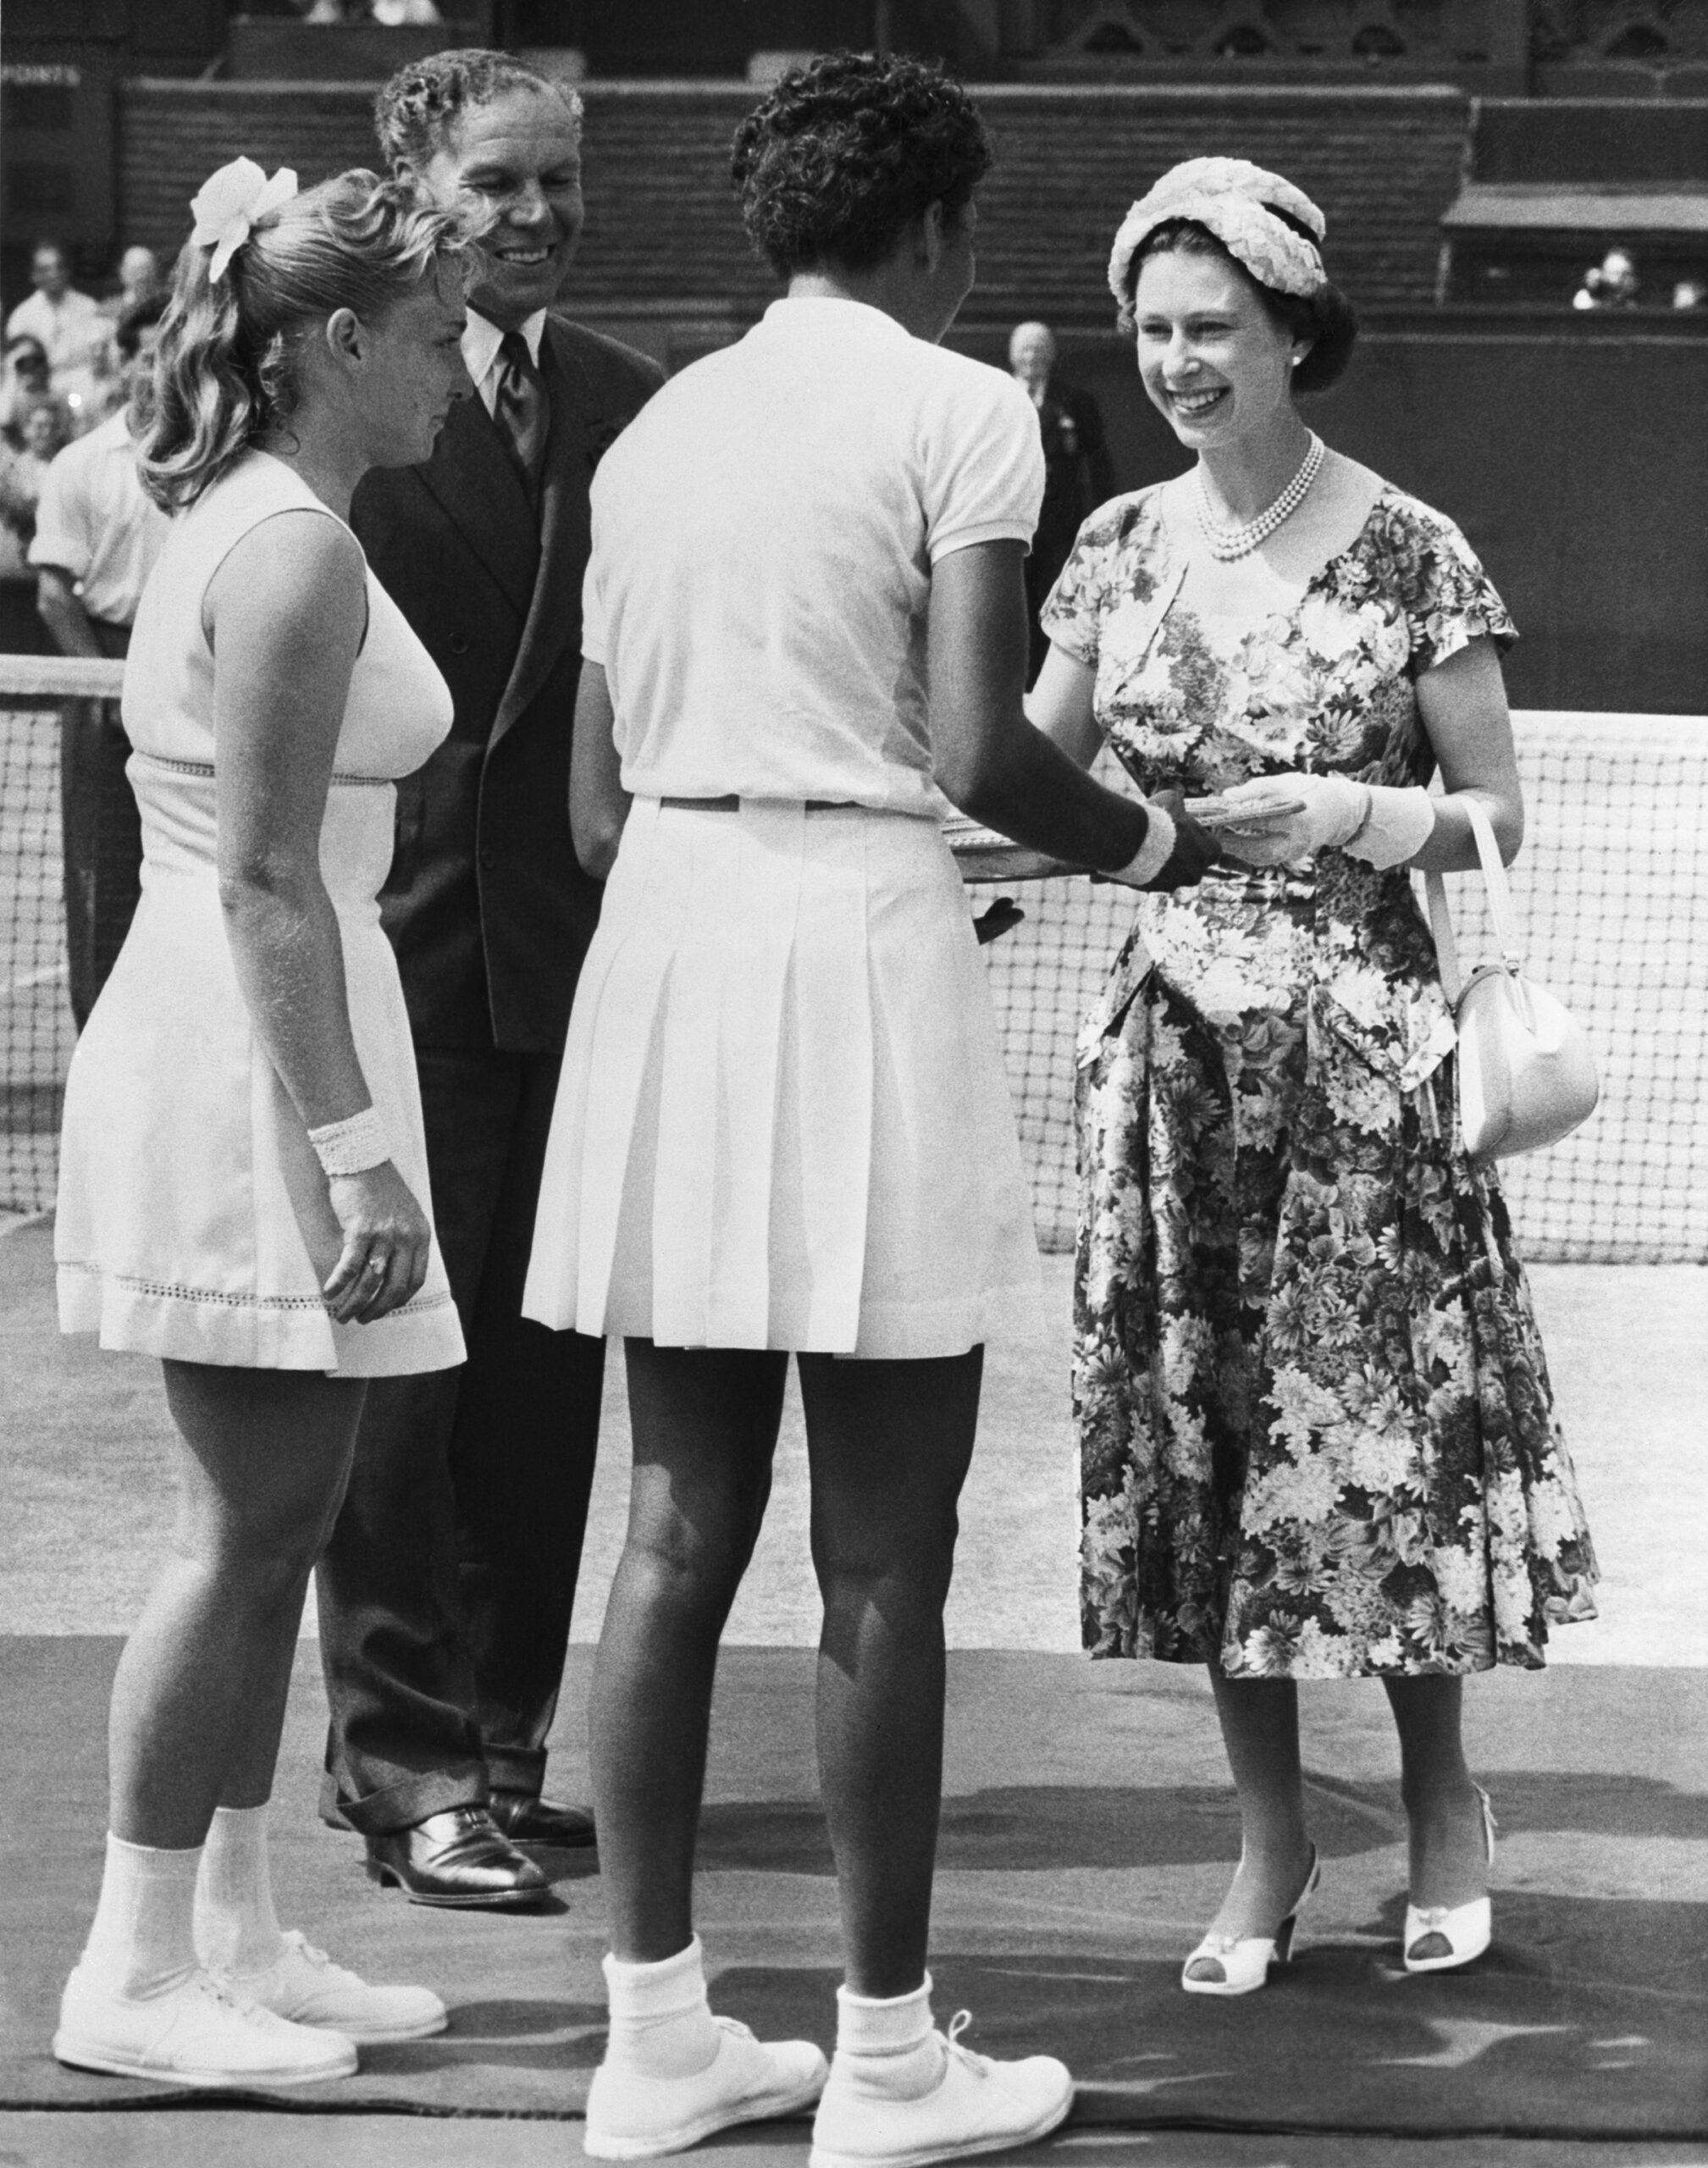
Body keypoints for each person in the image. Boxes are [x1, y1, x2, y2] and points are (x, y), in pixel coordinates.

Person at [521, 53, 1215, 2164]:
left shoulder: (650, 427)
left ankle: (655, 2045)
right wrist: (1162, 844)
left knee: (667, 1526)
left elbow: (585, 800)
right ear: (932, 232)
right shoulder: (961, 402)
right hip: (853, 952)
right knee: (884, 1555)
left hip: (669, 937)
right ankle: (891, 2061)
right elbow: (984, 750)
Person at [1030, 157, 1600, 1997]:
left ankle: (1444, 1808)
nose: (1177, 359)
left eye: (1213, 327)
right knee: (1210, 1454)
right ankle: (1268, 1839)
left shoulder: (1412, 544)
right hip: (1175, 1070)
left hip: (1365, 1067)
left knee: (1382, 1455)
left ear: (1293, 334)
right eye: (1153, 327)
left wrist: (1351, 811)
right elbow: (1026, 782)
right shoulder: (1113, 543)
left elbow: (1496, 809)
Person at [51, 156, 470, 2087]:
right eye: (440, 332)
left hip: (278, 1030)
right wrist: (355, 1142)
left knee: (284, 1517)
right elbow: (267, 881)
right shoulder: (291, 546)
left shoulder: (274, 514)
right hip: (258, 1053)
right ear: (340, 341)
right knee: (243, 1528)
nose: (461, 362)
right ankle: (132, 1964)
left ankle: (227, 1926)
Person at [312, 47, 664, 1910]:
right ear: (414, 182)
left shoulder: (634, 401)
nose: (536, 214)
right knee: (398, 1404)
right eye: (500, 183)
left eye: (558, 182)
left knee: (541, 1387)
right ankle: (402, 1760)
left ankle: (505, 1742)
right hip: (397, 964)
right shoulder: (343, 389)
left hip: (580, 974)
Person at [32, 293, 172, 1026]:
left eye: (172, 350)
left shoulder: (216, 456)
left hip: (190, 672)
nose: (160, 368)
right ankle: (101, 1041)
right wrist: (108, 686)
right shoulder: (79, 464)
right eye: (147, 353)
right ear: (123, 362)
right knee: (103, 874)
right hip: (102, 673)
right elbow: (56, 596)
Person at [1007, 318, 1114, 683]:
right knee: (1010, 600)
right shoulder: (999, 396)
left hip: (1058, 522)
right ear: (1012, 354)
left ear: (1051, 355)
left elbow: (1097, 460)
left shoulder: (1074, 401)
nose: (1032, 356)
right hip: (1008, 517)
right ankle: (1013, 679)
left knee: (1053, 599)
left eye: (1039, 348)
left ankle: (1046, 682)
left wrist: (1106, 511)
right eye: (1025, 348)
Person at [5, 241, 112, 429]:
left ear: (68, 271)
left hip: (77, 386)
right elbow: (17, 366)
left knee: (82, 410)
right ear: (34, 275)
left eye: (59, 267)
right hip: (37, 389)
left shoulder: (88, 307)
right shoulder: (22, 316)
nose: (54, 274)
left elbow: (99, 355)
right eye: (45, 269)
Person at [1572, 244, 1639, 310]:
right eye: (1615, 273)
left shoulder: (1631, 305)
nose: (1619, 279)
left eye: (1626, 274)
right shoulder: (1585, 298)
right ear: (1602, 273)